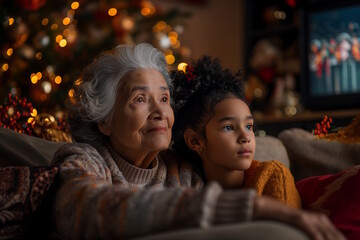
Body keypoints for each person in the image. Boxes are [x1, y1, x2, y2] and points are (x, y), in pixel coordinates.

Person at [49, 43, 345, 240]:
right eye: (140, 99)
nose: (160, 113)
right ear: (104, 120)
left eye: (164, 98)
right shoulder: (82, 159)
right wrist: (256, 209)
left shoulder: (184, 172)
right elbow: (84, 209)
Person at [171, 56, 301, 209]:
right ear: (195, 141)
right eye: (229, 127)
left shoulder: (273, 176)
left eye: (248, 126)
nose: (245, 137)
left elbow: (287, 230)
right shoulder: (186, 183)